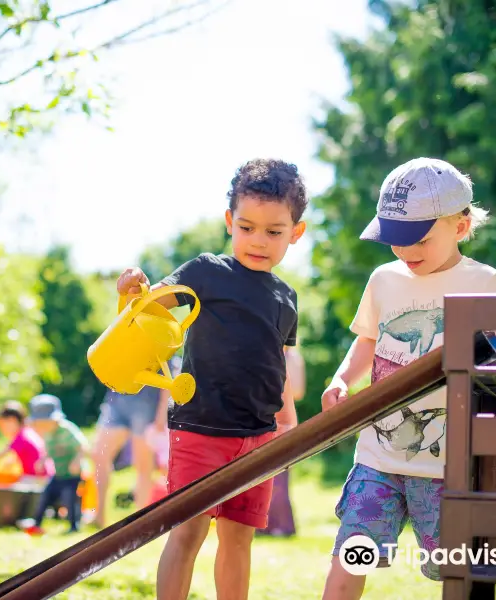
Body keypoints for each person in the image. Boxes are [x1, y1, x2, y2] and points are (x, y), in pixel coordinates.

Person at [319, 158, 496, 600]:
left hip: (445, 468)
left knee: (451, 570)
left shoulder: (484, 281)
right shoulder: (384, 280)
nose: (404, 251)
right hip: (378, 459)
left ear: (460, 226)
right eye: (394, 240)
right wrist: (341, 379)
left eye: (419, 240)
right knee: (353, 553)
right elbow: (368, 342)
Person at [117, 158, 306, 600]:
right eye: (247, 227)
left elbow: (275, 361)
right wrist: (129, 292)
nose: (258, 241)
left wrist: (288, 423)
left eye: (274, 231)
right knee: (187, 534)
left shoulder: (286, 297)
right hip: (201, 429)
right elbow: (149, 313)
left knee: (239, 540)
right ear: (229, 222)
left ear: (296, 232)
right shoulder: (207, 271)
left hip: (259, 438)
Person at [91, 357, 178, 528]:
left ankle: (141, 522)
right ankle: (98, 515)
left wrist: (163, 412)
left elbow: (170, 372)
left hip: (147, 405)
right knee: (99, 455)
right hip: (117, 401)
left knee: (143, 467)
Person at [21, 394, 89, 536]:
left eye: (44, 423)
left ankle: (74, 525)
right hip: (58, 474)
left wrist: (76, 461)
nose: (41, 427)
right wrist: (42, 460)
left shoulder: (67, 430)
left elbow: (83, 446)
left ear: (55, 419)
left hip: (72, 475)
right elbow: (49, 450)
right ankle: (36, 523)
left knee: (69, 498)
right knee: (45, 496)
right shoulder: (47, 433)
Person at [257, 345, 306, 537]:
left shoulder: (293, 358)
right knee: (261, 476)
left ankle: (282, 525)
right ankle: (261, 524)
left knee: (280, 478)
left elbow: (299, 391)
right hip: (263, 418)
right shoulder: (263, 352)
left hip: (284, 418)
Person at [0, 400, 51, 479]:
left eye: (3, 425)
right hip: (45, 474)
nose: (2, 429)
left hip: (37, 478)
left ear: (12, 420)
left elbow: (3, 453)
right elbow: (25, 453)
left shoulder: (21, 437)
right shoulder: (28, 431)